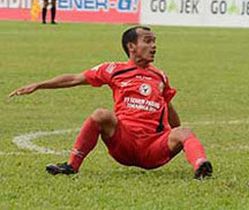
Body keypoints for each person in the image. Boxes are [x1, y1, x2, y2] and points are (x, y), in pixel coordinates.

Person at [8, 26, 213, 179]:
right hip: (124, 142)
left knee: (185, 131)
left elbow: (166, 105)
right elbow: (74, 78)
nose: (154, 46)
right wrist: (39, 85)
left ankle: (201, 167)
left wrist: (181, 137)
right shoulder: (113, 69)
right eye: (148, 41)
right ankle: (71, 166)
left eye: (154, 41)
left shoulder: (160, 76)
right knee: (100, 114)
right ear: (131, 46)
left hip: (153, 147)